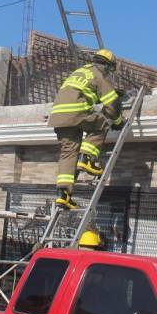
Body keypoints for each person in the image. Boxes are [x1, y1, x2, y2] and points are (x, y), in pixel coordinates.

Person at [47, 49, 125, 210]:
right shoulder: (98, 74)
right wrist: (118, 121)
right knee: (102, 122)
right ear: (107, 66)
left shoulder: (79, 72)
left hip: (58, 116)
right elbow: (112, 104)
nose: (110, 72)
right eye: (110, 69)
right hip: (76, 112)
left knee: (68, 152)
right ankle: (87, 159)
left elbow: (83, 92)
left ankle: (64, 195)